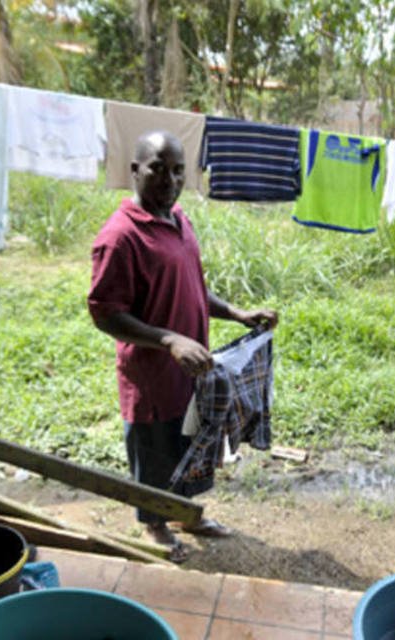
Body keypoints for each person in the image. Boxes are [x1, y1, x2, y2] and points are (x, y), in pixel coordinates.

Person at [87, 131, 278, 554]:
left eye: (178, 170)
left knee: (188, 448)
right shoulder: (120, 237)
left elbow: (192, 289)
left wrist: (236, 314)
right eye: (158, 168)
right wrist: (170, 339)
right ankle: (154, 526)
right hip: (152, 379)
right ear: (134, 170)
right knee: (154, 454)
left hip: (190, 376)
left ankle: (182, 512)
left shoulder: (180, 221)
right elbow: (105, 312)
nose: (169, 180)